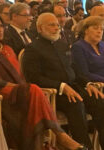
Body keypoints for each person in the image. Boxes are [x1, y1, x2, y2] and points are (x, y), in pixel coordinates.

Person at [0, 11, 85, 150]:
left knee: (32, 91)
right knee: (33, 89)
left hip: (19, 91)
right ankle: (59, 135)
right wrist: (18, 88)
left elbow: (20, 77)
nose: (0, 29)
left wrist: (21, 88)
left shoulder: (7, 49)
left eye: (1, 26)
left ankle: (51, 141)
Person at [22, 12, 104, 150]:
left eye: (57, 24)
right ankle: (84, 146)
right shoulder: (33, 49)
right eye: (52, 25)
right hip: (54, 93)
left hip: (73, 87)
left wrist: (87, 84)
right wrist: (62, 86)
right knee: (76, 103)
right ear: (40, 28)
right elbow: (34, 77)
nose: (57, 27)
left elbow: (74, 69)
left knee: (99, 101)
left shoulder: (62, 44)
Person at [71, 16, 104, 83]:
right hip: (94, 85)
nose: (99, 31)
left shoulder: (102, 44)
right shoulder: (78, 47)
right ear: (86, 30)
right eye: (95, 28)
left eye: (102, 29)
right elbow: (84, 74)